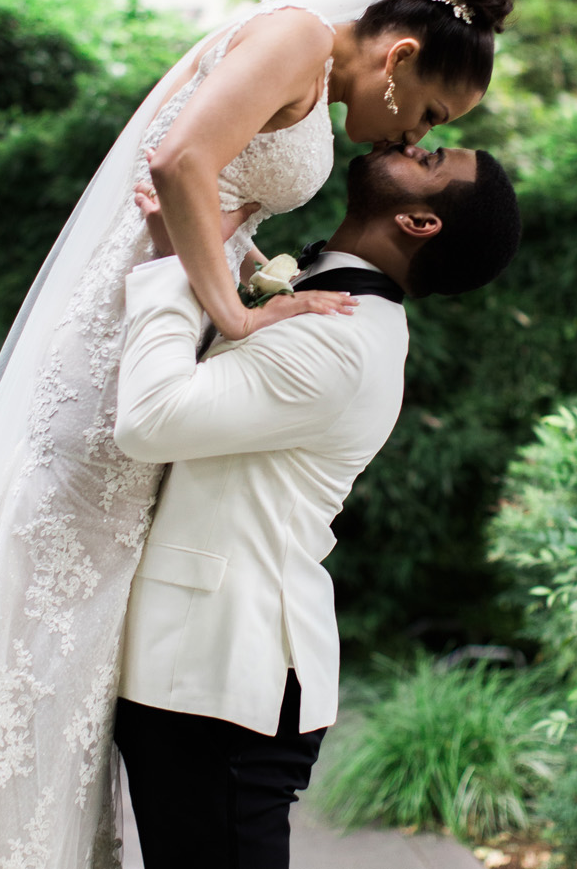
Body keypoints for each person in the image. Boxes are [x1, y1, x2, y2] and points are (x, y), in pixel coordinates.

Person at [0, 0, 517, 868]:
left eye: (432, 138)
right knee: (40, 618)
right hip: (132, 332)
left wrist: (226, 278)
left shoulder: (348, 328)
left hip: (153, 334)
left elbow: (202, 198)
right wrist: (236, 300)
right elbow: (178, 163)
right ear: (400, 56)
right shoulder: (295, 42)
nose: (408, 138)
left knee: (53, 638)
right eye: (433, 119)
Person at [113, 143, 519, 869]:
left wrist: (172, 269)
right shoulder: (333, 304)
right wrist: (226, 266)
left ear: (420, 221)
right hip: (209, 674)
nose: (407, 141)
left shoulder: (339, 337)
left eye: (431, 157)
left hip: (222, 678)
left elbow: (151, 420)